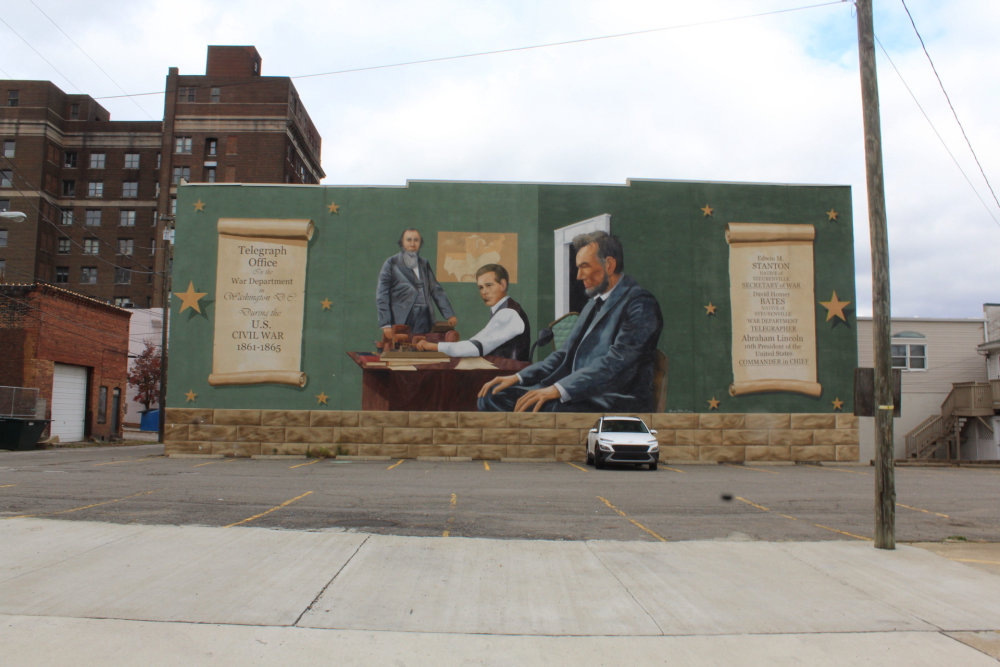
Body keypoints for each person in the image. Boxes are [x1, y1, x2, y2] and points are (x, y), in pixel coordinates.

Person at [477, 230, 662, 412]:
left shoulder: (640, 304)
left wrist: (558, 389)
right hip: (577, 394)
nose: (578, 276)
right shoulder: (592, 304)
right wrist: (518, 378)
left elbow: (616, 363)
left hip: (611, 400)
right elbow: (563, 354)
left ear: (609, 265)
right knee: (490, 396)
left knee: (534, 407)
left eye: (584, 266)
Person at [415, 264, 531, 361]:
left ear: (503, 285)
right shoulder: (504, 309)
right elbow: (476, 341)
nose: (484, 292)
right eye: (481, 287)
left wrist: (432, 346)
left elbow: (475, 348)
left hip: (508, 375)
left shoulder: (508, 314)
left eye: (489, 285)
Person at [376, 228, 457, 336]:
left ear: (420, 243)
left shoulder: (424, 263)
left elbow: (436, 289)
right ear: (402, 242)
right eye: (409, 240)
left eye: (416, 240)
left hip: (425, 318)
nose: (412, 244)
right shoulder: (391, 263)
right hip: (402, 319)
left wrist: (449, 314)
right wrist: (386, 324)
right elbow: (382, 294)